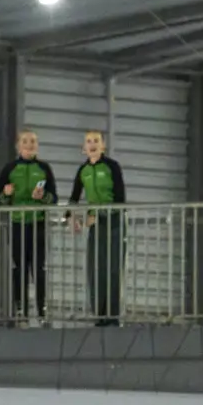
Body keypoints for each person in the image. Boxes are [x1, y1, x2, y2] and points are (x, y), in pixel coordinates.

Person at [68, 129, 126, 326]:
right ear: (83, 148)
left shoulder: (112, 166)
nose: (92, 144)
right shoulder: (83, 170)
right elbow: (74, 197)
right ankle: (99, 316)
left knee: (113, 269)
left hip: (114, 222)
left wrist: (98, 214)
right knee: (96, 270)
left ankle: (112, 317)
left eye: (96, 141)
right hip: (96, 225)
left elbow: (120, 198)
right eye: (89, 141)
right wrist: (71, 217)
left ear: (103, 146)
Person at [0, 129, 56, 324]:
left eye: (33, 141)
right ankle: (21, 310)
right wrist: (6, 194)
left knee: (39, 268)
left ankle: (42, 310)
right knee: (19, 268)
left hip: (38, 224)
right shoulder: (10, 169)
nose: (29, 145)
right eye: (25, 141)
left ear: (37, 146)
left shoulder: (44, 168)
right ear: (18, 146)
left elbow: (53, 199)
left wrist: (43, 196)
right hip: (17, 225)